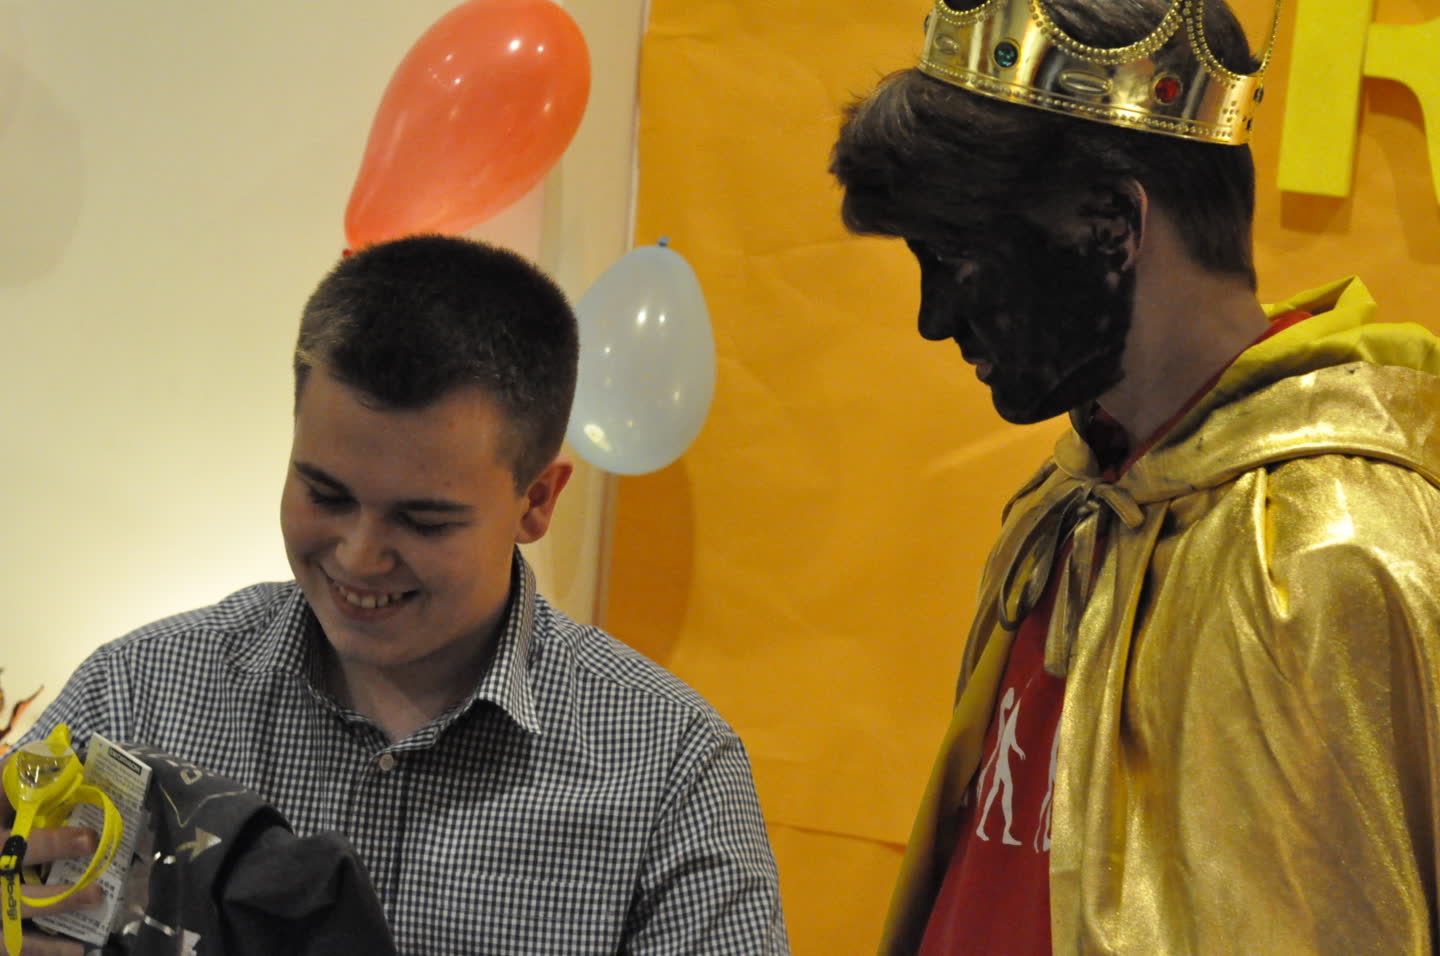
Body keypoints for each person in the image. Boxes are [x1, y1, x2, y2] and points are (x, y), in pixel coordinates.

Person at [829, 0, 1440, 952]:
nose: (933, 318)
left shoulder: (1335, 552)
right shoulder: (1067, 513)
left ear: (1112, 225)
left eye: (957, 257)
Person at [4, 235, 788, 955]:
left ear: (538, 501)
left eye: (423, 519)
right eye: (325, 494)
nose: (359, 555)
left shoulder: (669, 770)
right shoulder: (138, 692)